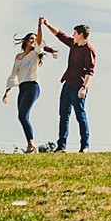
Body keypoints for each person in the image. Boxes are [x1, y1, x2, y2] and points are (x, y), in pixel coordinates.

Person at [40, 15, 95, 152]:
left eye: (75, 33)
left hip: (78, 87)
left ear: (81, 35)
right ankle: (61, 147)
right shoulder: (73, 44)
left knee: (80, 116)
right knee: (63, 115)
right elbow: (60, 35)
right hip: (67, 84)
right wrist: (47, 24)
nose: (73, 35)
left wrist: (84, 88)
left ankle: (85, 146)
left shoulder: (89, 50)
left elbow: (90, 71)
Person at [2, 29, 57, 152]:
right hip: (22, 88)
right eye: (31, 38)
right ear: (25, 41)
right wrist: (7, 92)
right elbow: (13, 75)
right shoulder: (18, 57)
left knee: (23, 115)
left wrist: (39, 26)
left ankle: (31, 144)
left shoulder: (35, 54)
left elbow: (39, 44)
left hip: (33, 87)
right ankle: (31, 144)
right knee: (21, 117)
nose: (33, 41)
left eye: (35, 39)